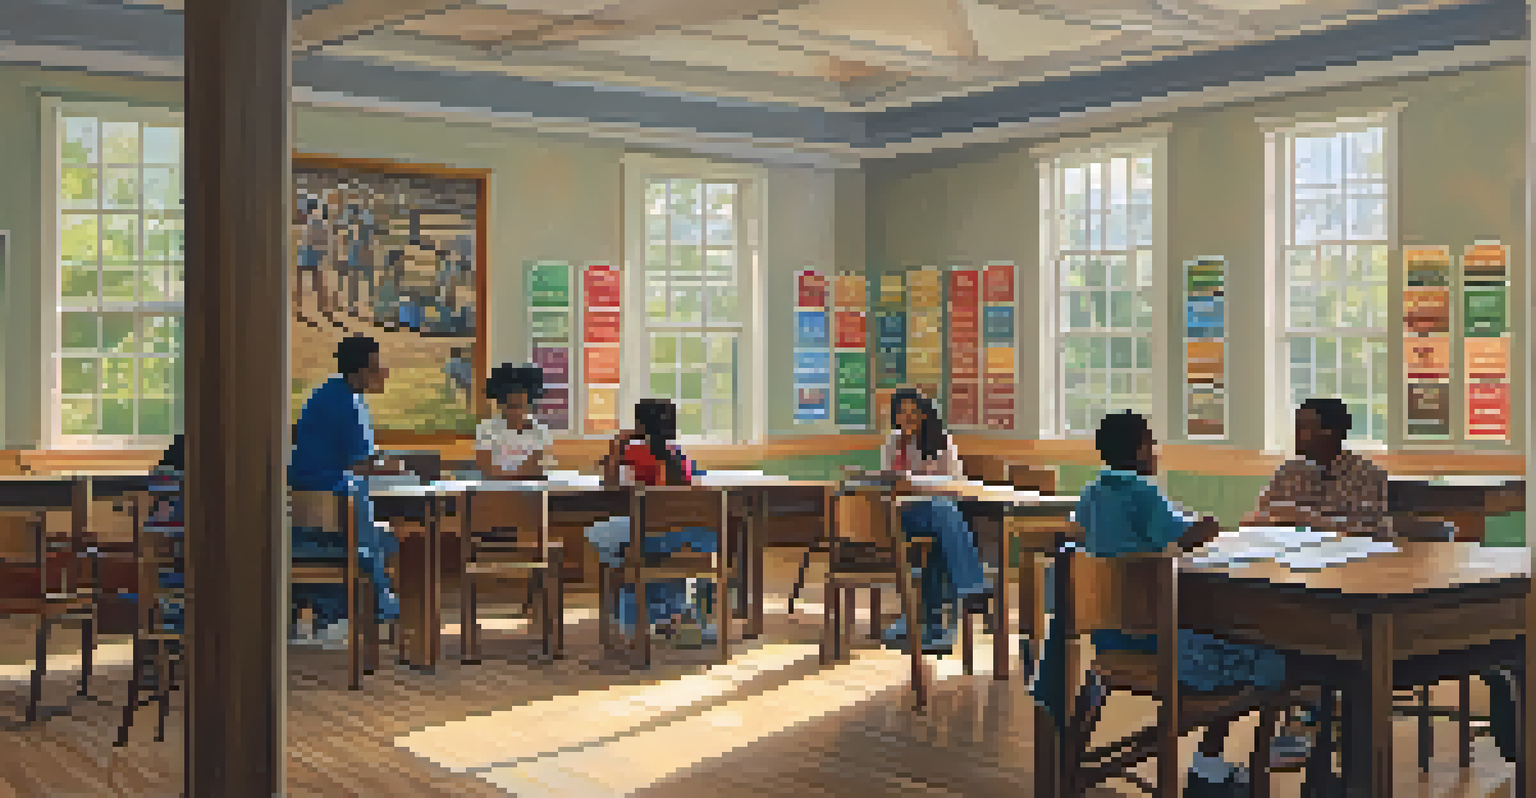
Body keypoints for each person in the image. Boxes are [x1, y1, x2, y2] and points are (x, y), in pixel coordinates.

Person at [1040, 411, 1312, 796]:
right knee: (1268, 655)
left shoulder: (1093, 492)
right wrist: (1207, 527)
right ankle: (1209, 767)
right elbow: (1183, 536)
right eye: (1152, 444)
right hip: (1164, 647)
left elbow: (1091, 536)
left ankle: (1206, 767)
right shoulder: (1143, 493)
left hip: (1111, 638)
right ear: (1139, 450)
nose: (1156, 452)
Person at [288, 335, 402, 646]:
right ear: (362, 372)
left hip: (303, 509)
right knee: (380, 540)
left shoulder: (330, 393)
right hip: (330, 507)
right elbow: (362, 463)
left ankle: (331, 618)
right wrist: (403, 468)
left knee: (375, 539)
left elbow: (357, 456)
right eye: (379, 367)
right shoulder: (348, 402)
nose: (385, 372)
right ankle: (369, 613)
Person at [586, 398, 718, 645]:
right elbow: (699, 485)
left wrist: (617, 446)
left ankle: (637, 614)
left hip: (651, 540)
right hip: (695, 542)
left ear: (638, 425)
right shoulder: (680, 456)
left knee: (605, 540)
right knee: (651, 545)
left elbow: (609, 488)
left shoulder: (634, 454)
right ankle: (673, 611)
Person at [874, 388, 986, 655]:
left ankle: (933, 629)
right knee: (945, 514)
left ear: (924, 414)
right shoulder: (893, 443)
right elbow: (888, 483)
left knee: (939, 540)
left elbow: (957, 485)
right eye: (901, 414)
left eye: (913, 413)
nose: (907, 418)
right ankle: (971, 588)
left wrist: (928, 487)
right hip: (904, 515)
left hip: (936, 514)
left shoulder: (942, 443)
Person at [1244, 397, 1391, 538]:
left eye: (1304, 427)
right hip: (1290, 556)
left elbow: (1369, 529)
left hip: (1349, 557)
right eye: (1297, 427)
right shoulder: (1287, 472)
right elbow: (1260, 517)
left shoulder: (1367, 475)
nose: (1297, 435)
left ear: (1330, 432)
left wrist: (1305, 517)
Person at [474, 363, 552, 479]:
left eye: (520, 405)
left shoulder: (538, 431)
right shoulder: (486, 429)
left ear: (528, 405)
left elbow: (536, 468)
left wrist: (507, 474)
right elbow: (487, 470)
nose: (516, 411)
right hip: (494, 491)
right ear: (501, 405)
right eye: (511, 405)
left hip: (529, 491)